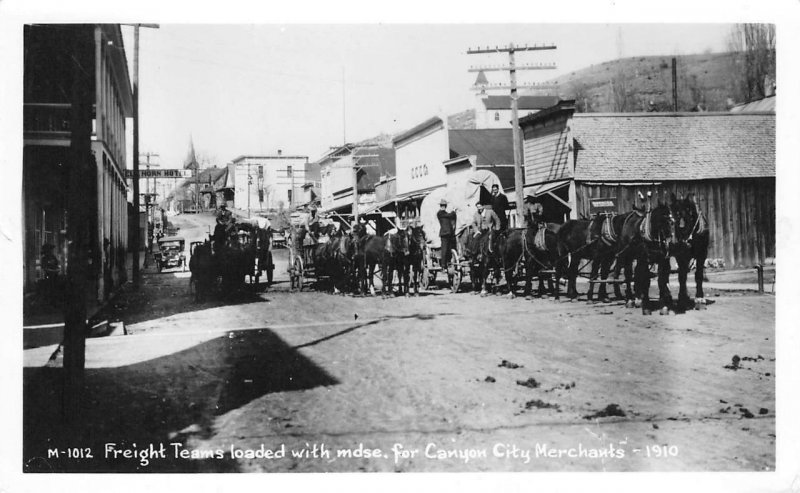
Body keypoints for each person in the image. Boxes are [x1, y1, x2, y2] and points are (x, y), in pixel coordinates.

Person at [437, 199, 457, 272]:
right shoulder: (440, 213)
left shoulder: (445, 213)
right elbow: (450, 215)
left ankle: (449, 263)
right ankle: (443, 266)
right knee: (444, 250)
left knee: (449, 250)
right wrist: (453, 211)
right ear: (440, 206)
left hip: (450, 234)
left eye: (444, 205)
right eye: (442, 205)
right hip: (444, 234)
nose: (443, 207)